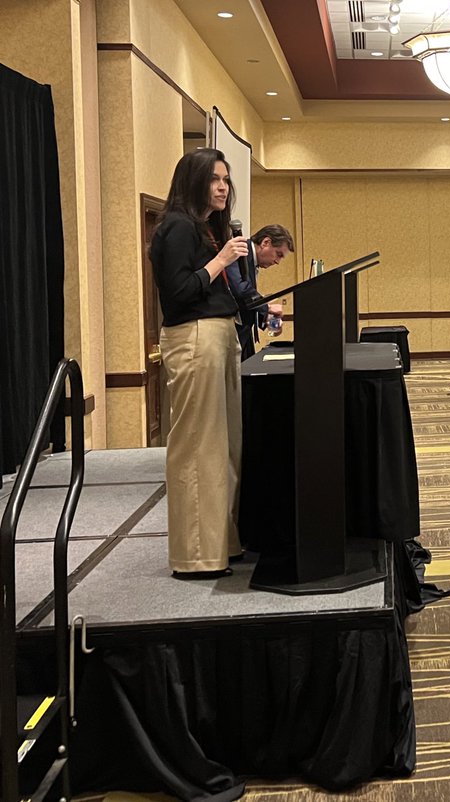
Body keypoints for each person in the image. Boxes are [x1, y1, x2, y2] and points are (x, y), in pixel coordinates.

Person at [151, 148, 247, 577]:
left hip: (218, 334)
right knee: (197, 447)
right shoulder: (175, 226)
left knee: (226, 448)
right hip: (194, 336)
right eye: (214, 179)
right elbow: (178, 293)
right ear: (193, 182)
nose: (223, 186)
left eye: (226, 179)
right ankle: (194, 555)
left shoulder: (205, 228)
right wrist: (222, 260)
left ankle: (220, 543)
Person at [225, 224, 291, 361]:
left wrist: (265, 317)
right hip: (228, 334)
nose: (278, 262)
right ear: (265, 242)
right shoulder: (240, 250)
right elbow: (239, 289)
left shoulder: (251, 260)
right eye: (278, 254)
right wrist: (266, 308)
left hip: (243, 333)